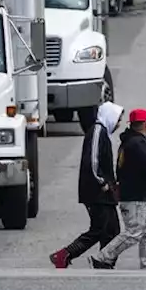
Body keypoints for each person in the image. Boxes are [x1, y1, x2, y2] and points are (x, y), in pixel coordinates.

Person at [89, 108, 146, 270]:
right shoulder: (139, 144)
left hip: (136, 195)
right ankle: (102, 257)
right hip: (137, 196)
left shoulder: (127, 143)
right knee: (134, 232)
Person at [50, 101, 123, 269]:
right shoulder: (97, 131)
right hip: (96, 192)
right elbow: (93, 159)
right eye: (118, 119)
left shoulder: (103, 132)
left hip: (105, 193)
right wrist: (102, 181)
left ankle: (104, 260)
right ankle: (64, 255)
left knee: (112, 230)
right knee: (99, 229)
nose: (118, 124)